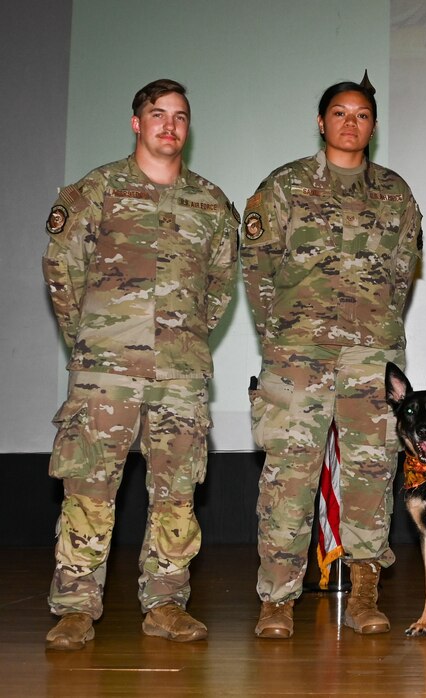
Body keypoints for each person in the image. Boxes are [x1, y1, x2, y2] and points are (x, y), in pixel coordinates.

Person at [42, 79, 238, 650]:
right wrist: (94, 338)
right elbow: (62, 271)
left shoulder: (211, 204)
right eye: (158, 114)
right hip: (106, 370)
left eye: (179, 116)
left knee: (178, 493)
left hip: (181, 374)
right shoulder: (95, 192)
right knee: (89, 489)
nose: (169, 126)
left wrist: (186, 337)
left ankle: (167, 604)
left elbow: (220, 285)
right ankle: (77, 608)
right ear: (136, 123)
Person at [242, 75, 422, 639]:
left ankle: (366, 589)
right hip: (298, 356)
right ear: (321, 123)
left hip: (373, 357)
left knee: (371, 475)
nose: (351, 122)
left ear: (373, 124)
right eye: (340, 113)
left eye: (362, 114)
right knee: (288, 477)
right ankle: (277, 598)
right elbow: (257, 269)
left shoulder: (395, 192)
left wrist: (378, 332)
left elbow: (402, 274)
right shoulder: (284, 187)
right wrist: (281, 339)